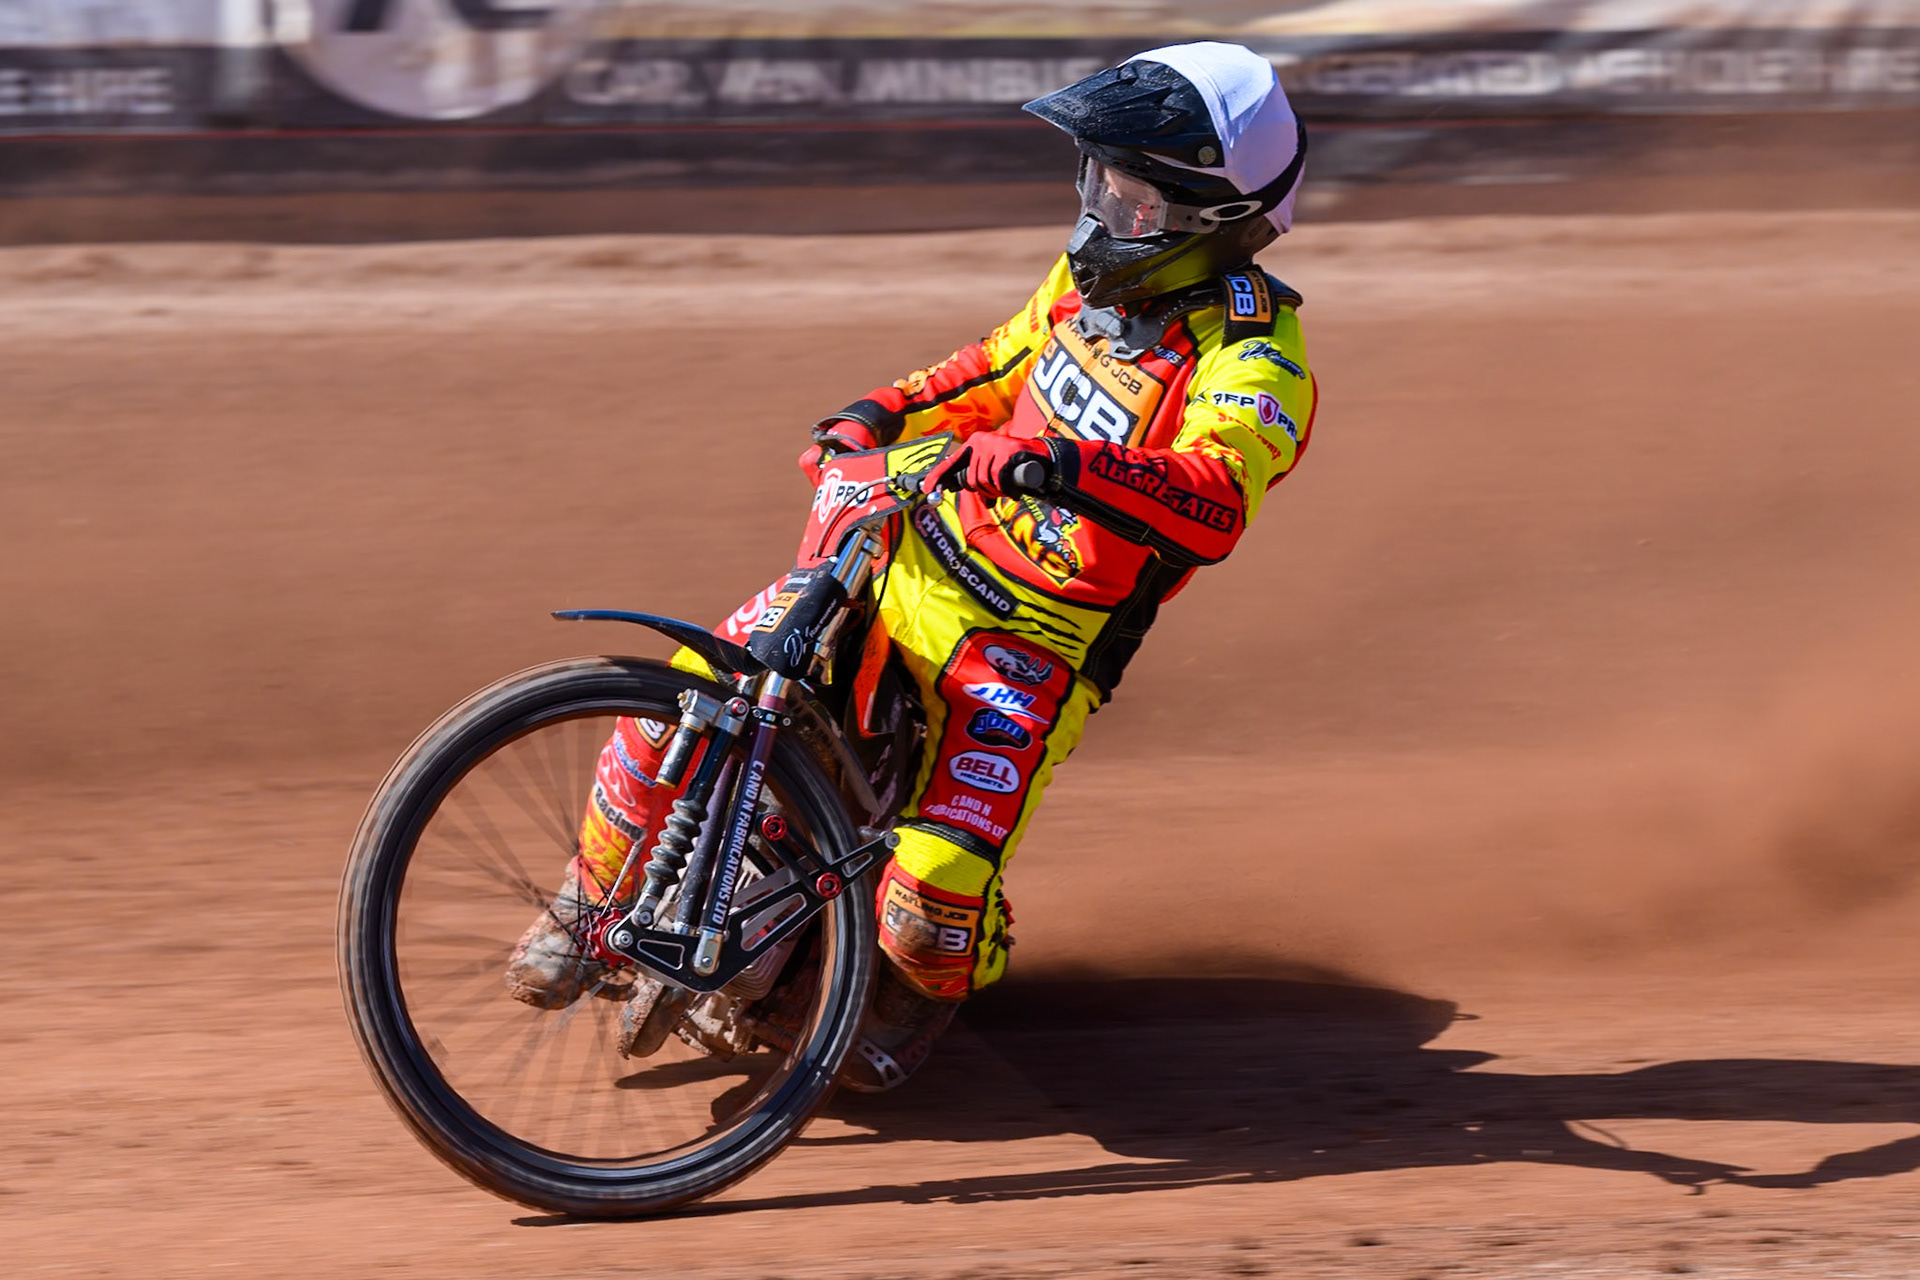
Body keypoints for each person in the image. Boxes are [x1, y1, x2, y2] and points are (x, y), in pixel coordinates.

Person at [505, 41, 1319, 1092]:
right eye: (1098, 179)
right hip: (898, 557)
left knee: (928, 905)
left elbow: (1214, 498)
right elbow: (992, 368)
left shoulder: (1259, 358)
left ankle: (937, 969)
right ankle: (587, 902)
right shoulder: (1085, 285)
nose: (1099, 207)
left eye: (1130, 193)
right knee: (688, 699)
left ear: (1207, 216)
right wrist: (877, 412)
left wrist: (1059, 465)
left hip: (1024, 651)